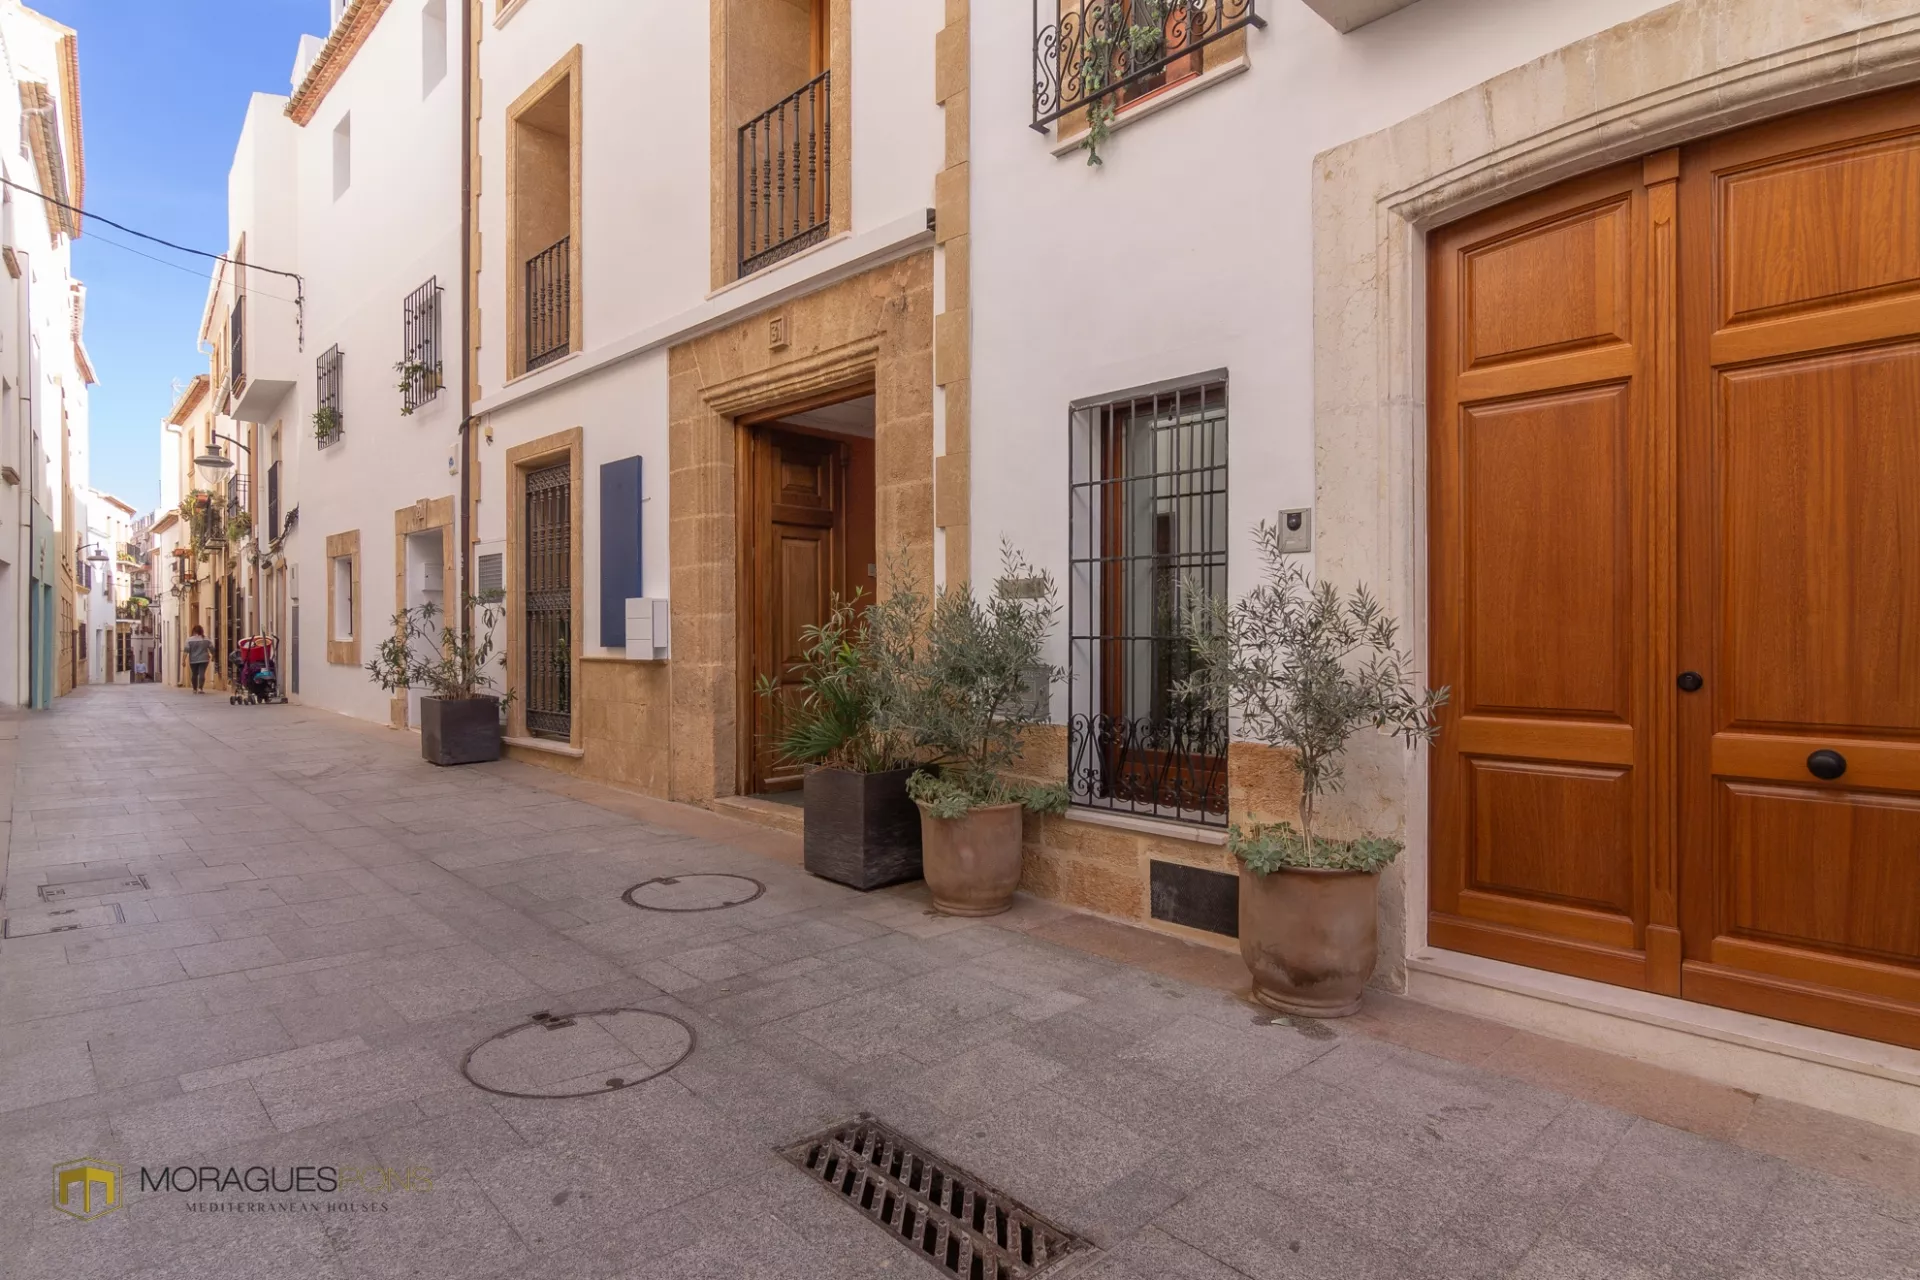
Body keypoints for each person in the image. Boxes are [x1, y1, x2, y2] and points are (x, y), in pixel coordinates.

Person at [184, 626, 212, 693]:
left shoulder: (189, 640)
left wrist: (183, 660)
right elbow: (212, 648)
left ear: (193, 631)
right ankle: (200, 688)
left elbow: (186, 651)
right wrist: (213, 655)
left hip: (193, 660)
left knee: (194, 674)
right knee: (202, 673)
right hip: (204, 659)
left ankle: (194, 689)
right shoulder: (206, 639)